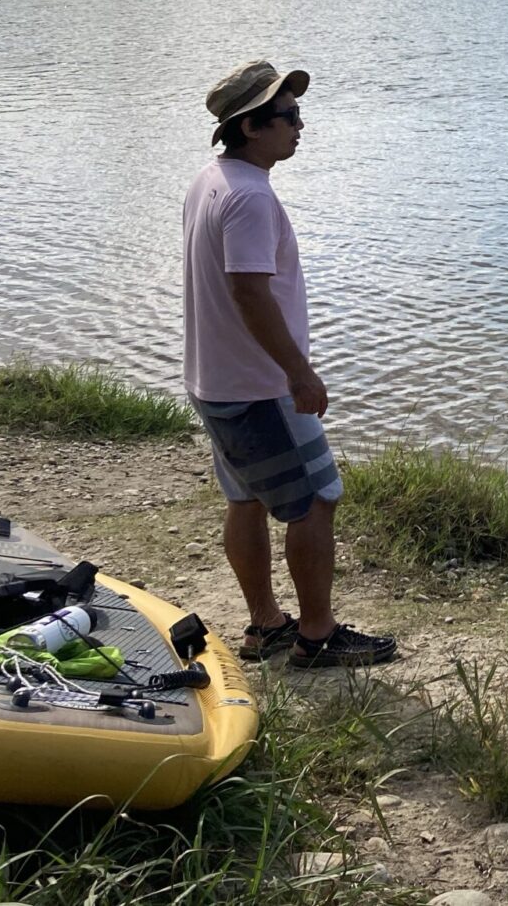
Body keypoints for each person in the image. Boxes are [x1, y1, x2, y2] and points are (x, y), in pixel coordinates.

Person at [181, 59, 396, 670]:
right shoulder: (250, 197)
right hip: (259, 388)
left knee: (246, 500)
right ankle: (316, 635)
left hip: (213, 378)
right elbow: (249, 293)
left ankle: (266, 625)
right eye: (289, 116)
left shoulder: (211, 179)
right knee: (318, 498)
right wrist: (298, 373)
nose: (300, 126)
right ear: (251, 127)